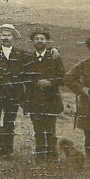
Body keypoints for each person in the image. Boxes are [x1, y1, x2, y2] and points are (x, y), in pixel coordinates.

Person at [0, 23, 31, 158]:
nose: (6, 37)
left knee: (9, 122)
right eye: (3, 35)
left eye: (8, 35)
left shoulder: (21, 55)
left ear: (13, 37)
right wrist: (1, 80)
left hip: (13, 95)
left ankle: (8, 151)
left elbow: (26, 73)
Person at [25, 28, 65, 159]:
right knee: (38, 129)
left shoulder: (54, 57)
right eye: (36, 39)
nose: (39, 41)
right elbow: (23, 77)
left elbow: (62, 78)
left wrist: (49, 82)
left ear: (46, 41)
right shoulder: (28, 58)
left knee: (50, 129)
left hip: (51, 99)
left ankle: (53, 156)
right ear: (32, 42)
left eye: (42, 38)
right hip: (34, 100)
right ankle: (40, 155)